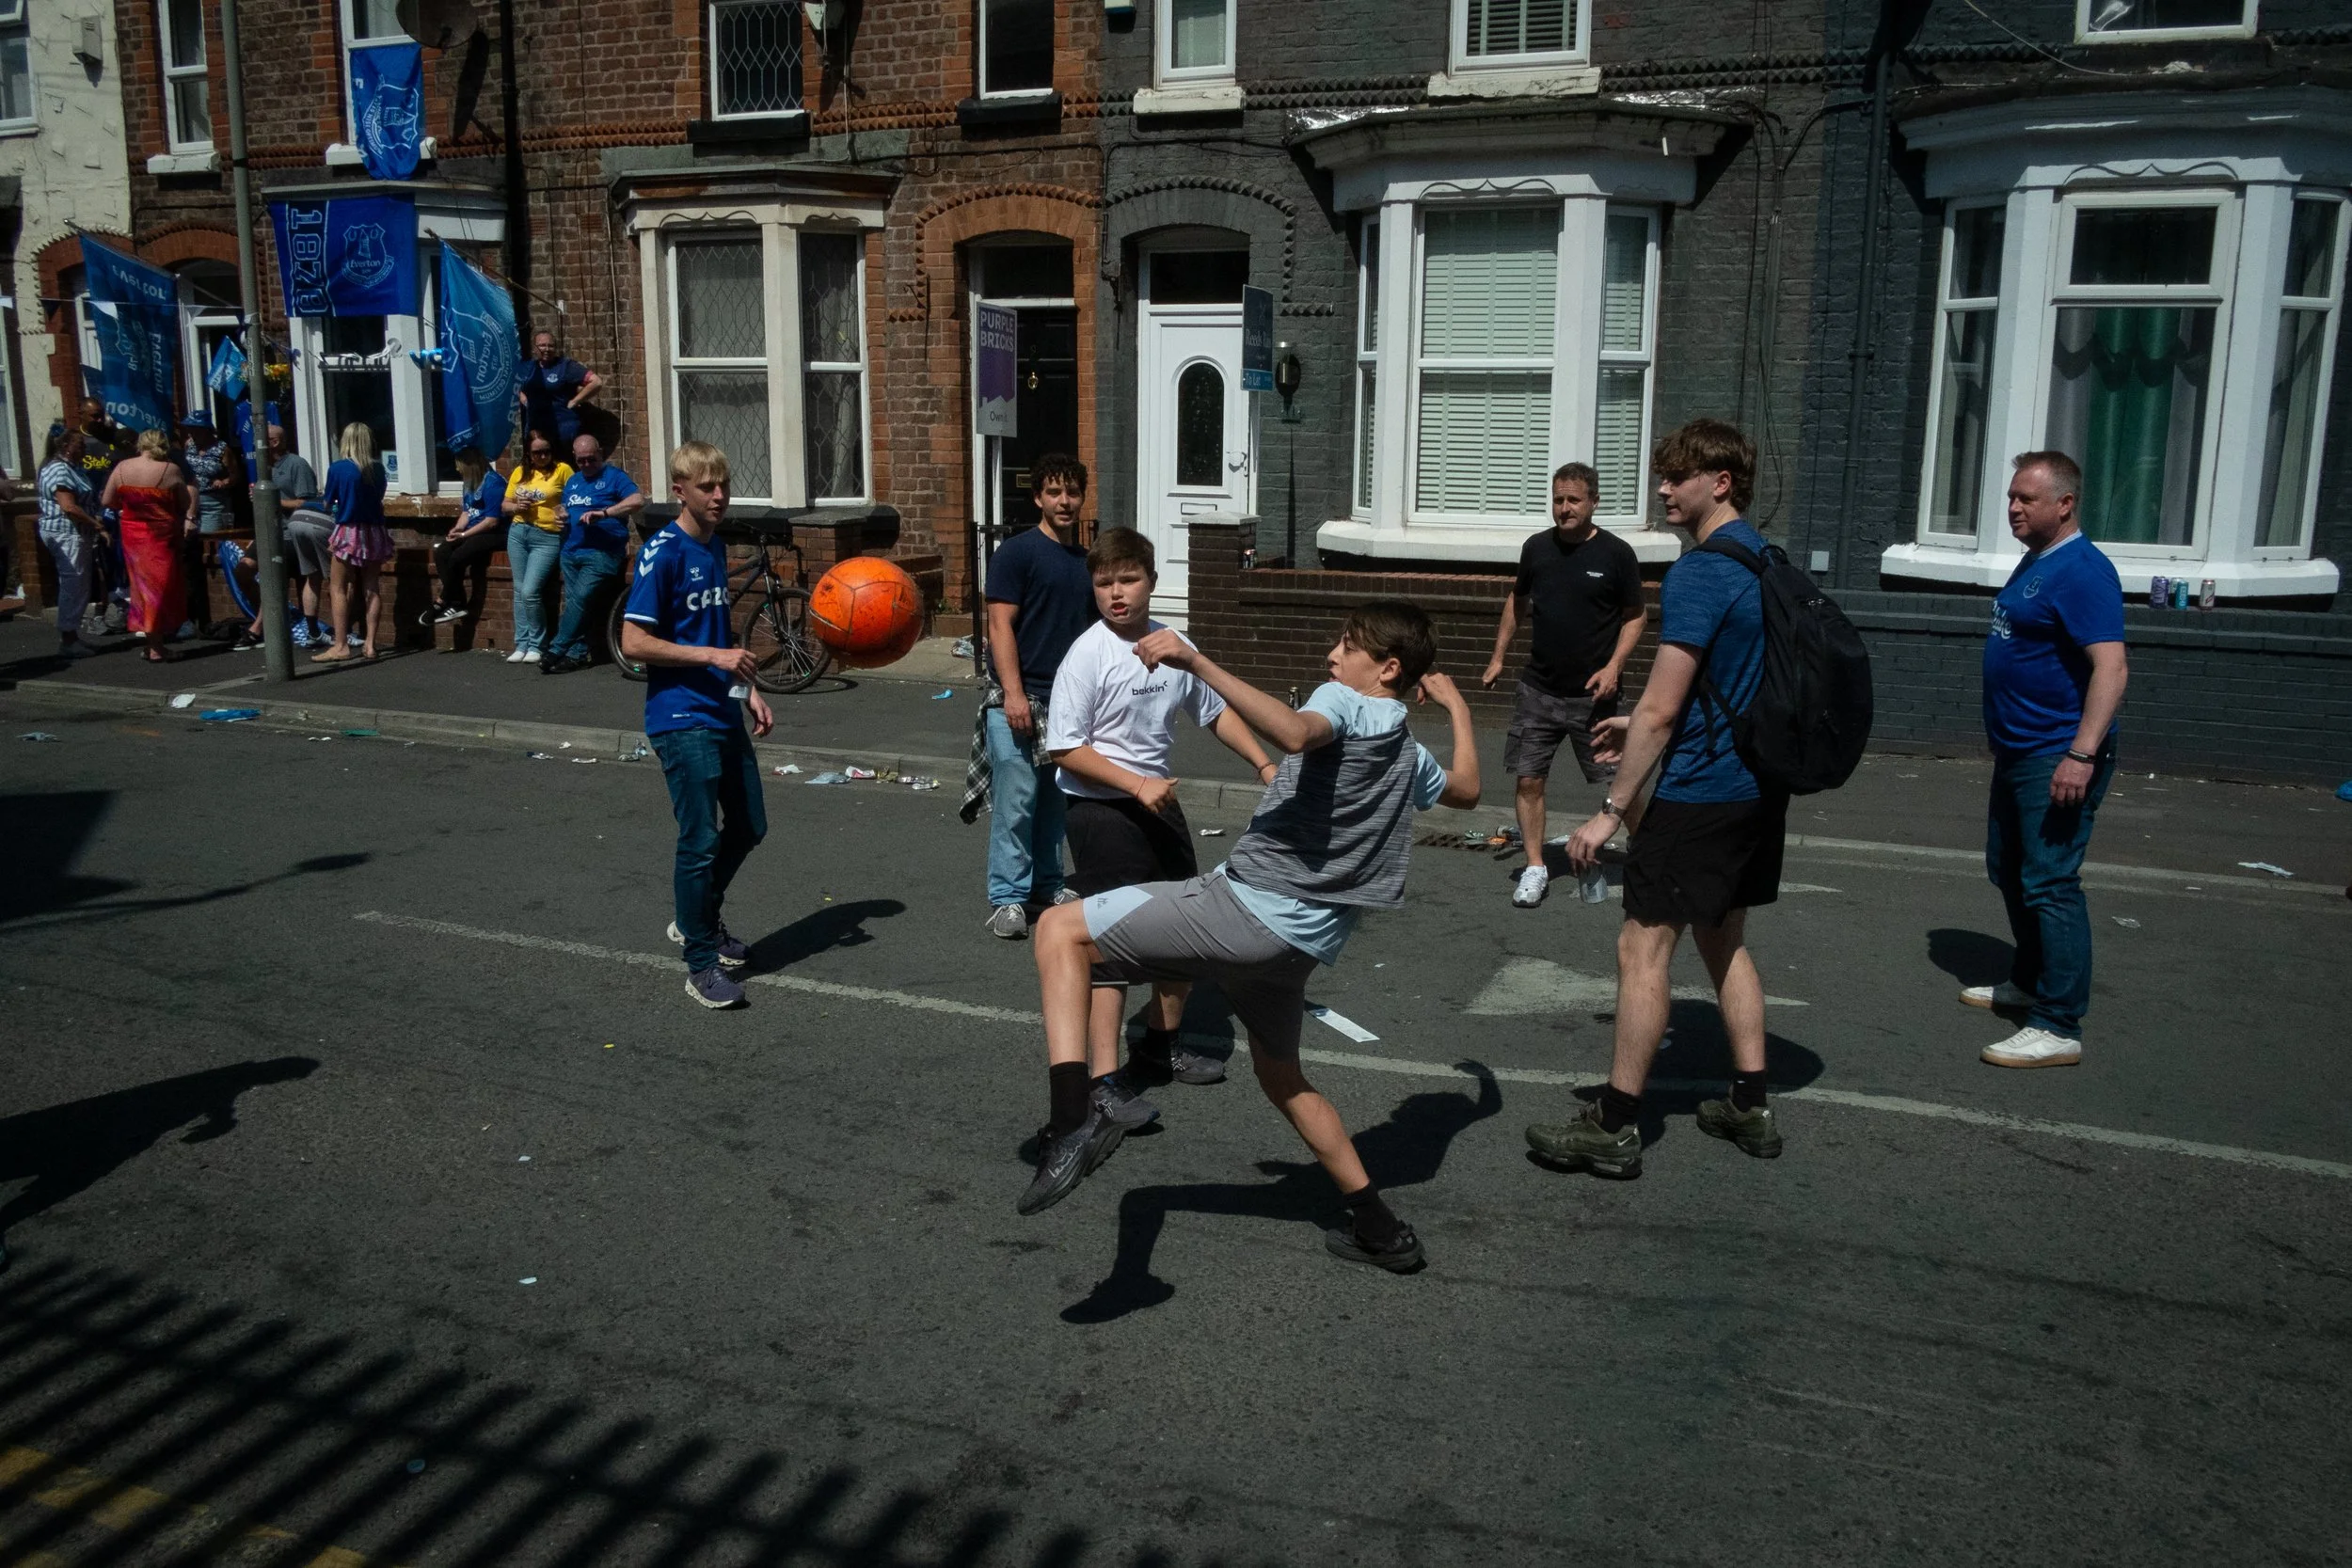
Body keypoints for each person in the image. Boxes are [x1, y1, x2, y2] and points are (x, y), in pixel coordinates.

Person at [1022, 603, 1480, 1276]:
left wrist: (1196, 660)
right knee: (1284, 1077)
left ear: (1385, 669)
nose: (1331, 656)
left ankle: (1071, 1123)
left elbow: (1297, 731)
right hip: (1298, 947)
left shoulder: (1343, 701)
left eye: (1346, 645)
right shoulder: (1406, 750)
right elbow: (1468, 789)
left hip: (1247, 912)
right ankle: (1381, 1228)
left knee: (1059, 927)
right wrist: (1457, 708)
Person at [1525, 419, 1789, 1178]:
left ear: (1723, 482)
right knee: (1723, 936)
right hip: (1755, 788)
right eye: (1661, 476)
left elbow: (1663, 706)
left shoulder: (1702, 571)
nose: (1664, 489)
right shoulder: (1766, 561)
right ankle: (1750, 1101)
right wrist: (1640, 726)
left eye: (1678, 477)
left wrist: (1612, 807)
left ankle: (1613, 1122)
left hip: (1701, 791)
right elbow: (1725, 686)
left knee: (1642, 946)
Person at [1043, 527, 1279, 1125]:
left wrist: (1263, 762)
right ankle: (1101, 1080)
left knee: (1186, 930)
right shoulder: (1088, 654)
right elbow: (1064, 747)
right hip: (1100, 809)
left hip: (1157, 803)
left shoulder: (1174, 646)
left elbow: (1215, 709)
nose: (1116, 594)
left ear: (1152, 580)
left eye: (1128, 580)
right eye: (1104, 583)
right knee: (1109, 943)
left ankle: (1157, 1047)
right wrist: (1134, 783)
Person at [1967, 451, 2128, 1069]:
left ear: (2064, 503)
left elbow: (2111, 668)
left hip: (2057, 753)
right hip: (2018, 750)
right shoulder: (2037, 561)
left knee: (2051, 880)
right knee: (2008, 868)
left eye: (2026, 499)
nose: (2013, 508)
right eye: (2011, 497)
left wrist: (2081, 753)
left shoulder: (2083, 570)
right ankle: (2030, 979)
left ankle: (2059, 1022)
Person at [617, 441, 775, 1011]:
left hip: (720, 708)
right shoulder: (663, 552)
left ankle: (694, 917)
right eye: (707, 487)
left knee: (750, 824)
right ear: (679, 491)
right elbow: (633, 642)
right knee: (700, 838)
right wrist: (713, 660)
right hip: (679, 717)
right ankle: (701, 962)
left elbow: (718, 637)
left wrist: (749, 689)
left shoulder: (716, 547)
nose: (719, 496)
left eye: (724, 486)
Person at [1481, 462, 1646, 908]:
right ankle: (1536, 867)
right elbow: (1517, 603)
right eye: (1558, 499)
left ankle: (1649, 854)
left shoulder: (1616, 553)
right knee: (1529, 779)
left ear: (1593, 501)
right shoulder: (1537, 548)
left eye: (1573, 500)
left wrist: (1614, 666)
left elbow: (1636, 616)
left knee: (1620, 784)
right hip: (1539, 690)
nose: (1564, 508)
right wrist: (1498, 657)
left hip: (1596, 698)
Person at [977, 452, 1095, 938]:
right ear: (1037, 498)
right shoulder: (1017, 553)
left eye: (1072, 492)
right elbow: (998, 624)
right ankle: (1007, 897)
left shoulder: (1085, 562)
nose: (1064, 501)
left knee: (1054, 800)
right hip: (1020, 697)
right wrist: (1013, 694)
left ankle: (1047, 884)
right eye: (1054, 492)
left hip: (1067, 702)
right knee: (1017, 800)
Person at [542, 434, 645, 674]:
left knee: (580, 597)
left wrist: (605, 513)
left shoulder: (614, 477)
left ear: (600, 453)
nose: (587, 465)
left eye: (591, 459)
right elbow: (564, 506)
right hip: (571, 551)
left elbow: (638, 500)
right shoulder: (574, 481)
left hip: (602, 553)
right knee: (577, 602)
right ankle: (576, 654)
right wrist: (561, 515)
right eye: (581, 461)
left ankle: (556, 648)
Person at [98, 429, 197, 663]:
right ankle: (156, 647)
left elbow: (107, 500)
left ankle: (153, 642)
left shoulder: (122, 468)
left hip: (133, 535)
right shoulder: (169, 469)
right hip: (161, 535)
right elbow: (185, 501)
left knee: (142, 589)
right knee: (159, 589)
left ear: (140, 445)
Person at [312, 422, 392, 664]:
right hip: (375, 530)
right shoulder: (378, 470)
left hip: (349, 530)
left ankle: (341, 645)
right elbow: (378, 499)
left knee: (337, 587)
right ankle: (370, 645)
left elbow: (327, 502)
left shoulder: (338, 468)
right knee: (372, 587)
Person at [501, 430, 573, 664]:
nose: (542, 456)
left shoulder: (563, 470)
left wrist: (564, 512)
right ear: (529, 455)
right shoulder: (521, 472)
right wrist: (516, 506)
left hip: (547, 536)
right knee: (519, 590)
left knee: (530, 591)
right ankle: (521, 644)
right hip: (519, 531)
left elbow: (575, 498)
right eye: (537, 453)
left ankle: (537, 644)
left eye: (546, 451)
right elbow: (504, 504)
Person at [262, 424, 336, 650]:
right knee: (246, 568)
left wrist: (269, 499)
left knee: (312, 577)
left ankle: (260, 628)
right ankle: (283, 624)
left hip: (293, 533)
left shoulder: (296, 464)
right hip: (272, 533)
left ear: (274, 442)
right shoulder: (265, 467)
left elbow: (307, 504)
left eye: (262, 441)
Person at [35, 424, 103, 660]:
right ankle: (68, 638)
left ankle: (71, 634)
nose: (84, 447)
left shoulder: (69, 467)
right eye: (79, 444)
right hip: (67, 533)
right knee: (74, 584)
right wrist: (96, 524)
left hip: (71, 533)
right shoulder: (60, 470)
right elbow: (68, 506)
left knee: (76, 583)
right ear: (65, 446)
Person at [421, 449, 509, 630]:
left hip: (495, 533)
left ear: (471, 465)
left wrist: (464, 535)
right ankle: (457, 601)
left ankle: (443, 600)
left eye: (460, 465)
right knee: (442, 552)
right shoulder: (469, 483)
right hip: (473, 529)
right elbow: (466, 512)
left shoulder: (494, 483)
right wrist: (458, 528)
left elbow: (492, 521)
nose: (458, 470)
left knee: (458, 556)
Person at [75, 399, 130, 635]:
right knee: (94, 563)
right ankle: (97, 609)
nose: (99, 420)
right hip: (83, 512)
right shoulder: (74, 442)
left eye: (101, 415)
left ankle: (118, 606)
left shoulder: (112, 439)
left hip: (112, 510)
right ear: (81, 415)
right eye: (93, 416)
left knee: (114, 558)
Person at [516, 332, 601, 447]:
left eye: (551, 346)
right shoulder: (528, 368)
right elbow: (513, 383)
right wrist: (524, 400)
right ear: (534, 348)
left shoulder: (565, 366)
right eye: (542, 345)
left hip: (563, 429)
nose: (547, 349)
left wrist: (574, 401)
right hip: (536, 431)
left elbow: (596, 382)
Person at [179, 411, 242, 536]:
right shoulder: (189, 445)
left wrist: (224, 482)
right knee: (189, 538)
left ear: (206, 430)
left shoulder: (222, 449)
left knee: (210, 538)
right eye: (190, 430)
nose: (192, 434)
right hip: (189, 500)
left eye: (196, 430)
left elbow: (235, 475)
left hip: (213, 502)